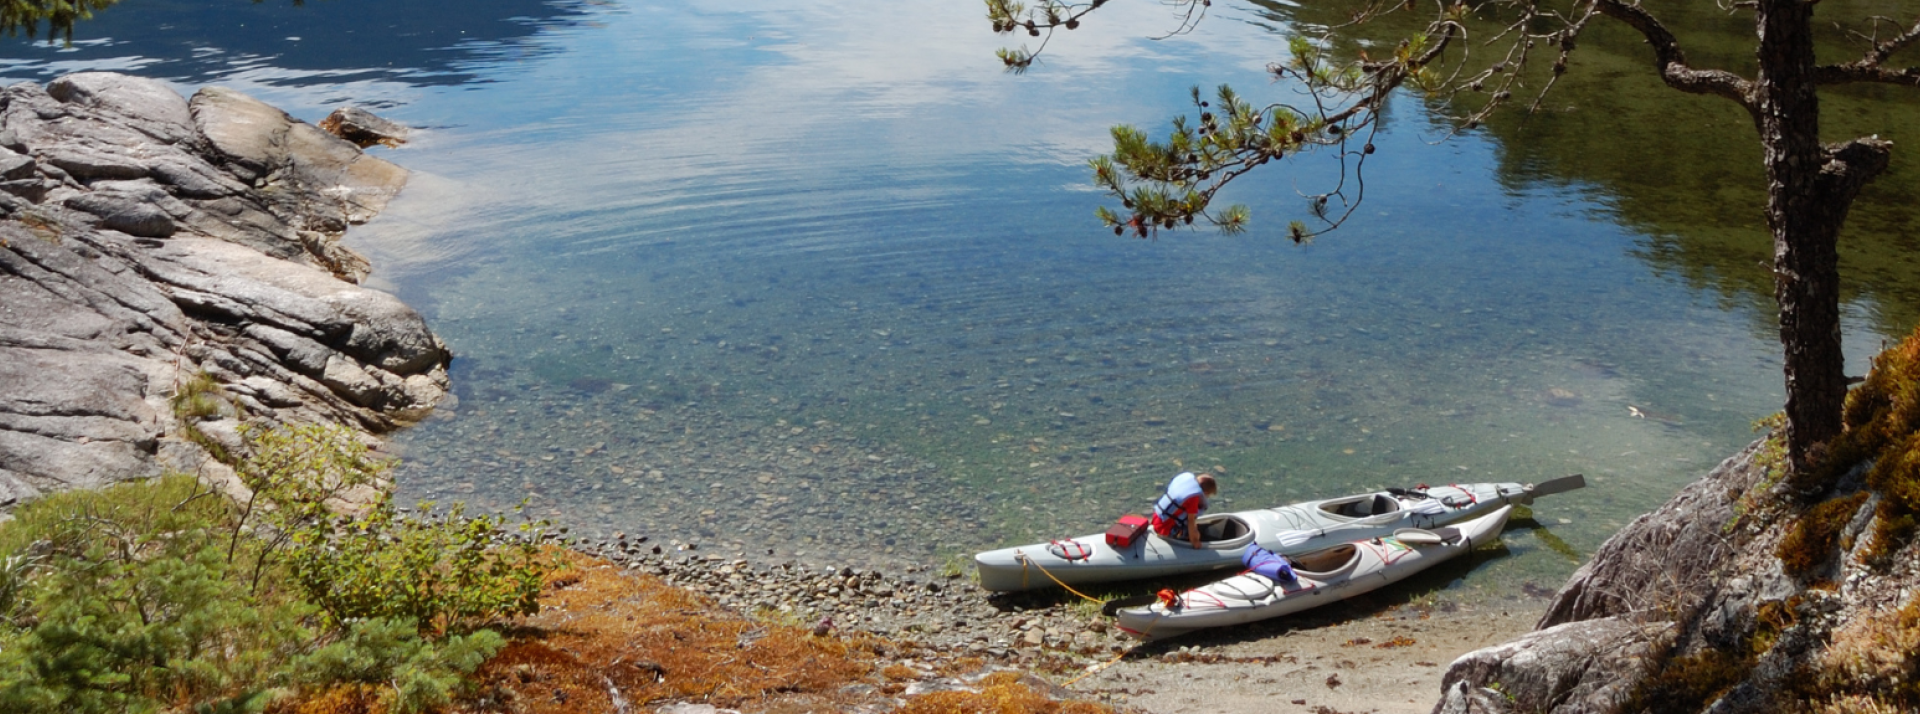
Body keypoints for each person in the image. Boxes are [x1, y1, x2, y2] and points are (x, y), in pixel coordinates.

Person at [1150, 471, 1218, 548]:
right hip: (1165, 529)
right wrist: (1195, 540)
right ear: (1205, 492)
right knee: (1197, 534)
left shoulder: (1185, 482)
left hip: (1157, 519)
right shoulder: (1193, 497)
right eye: (1207, 495)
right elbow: (1190, 521)